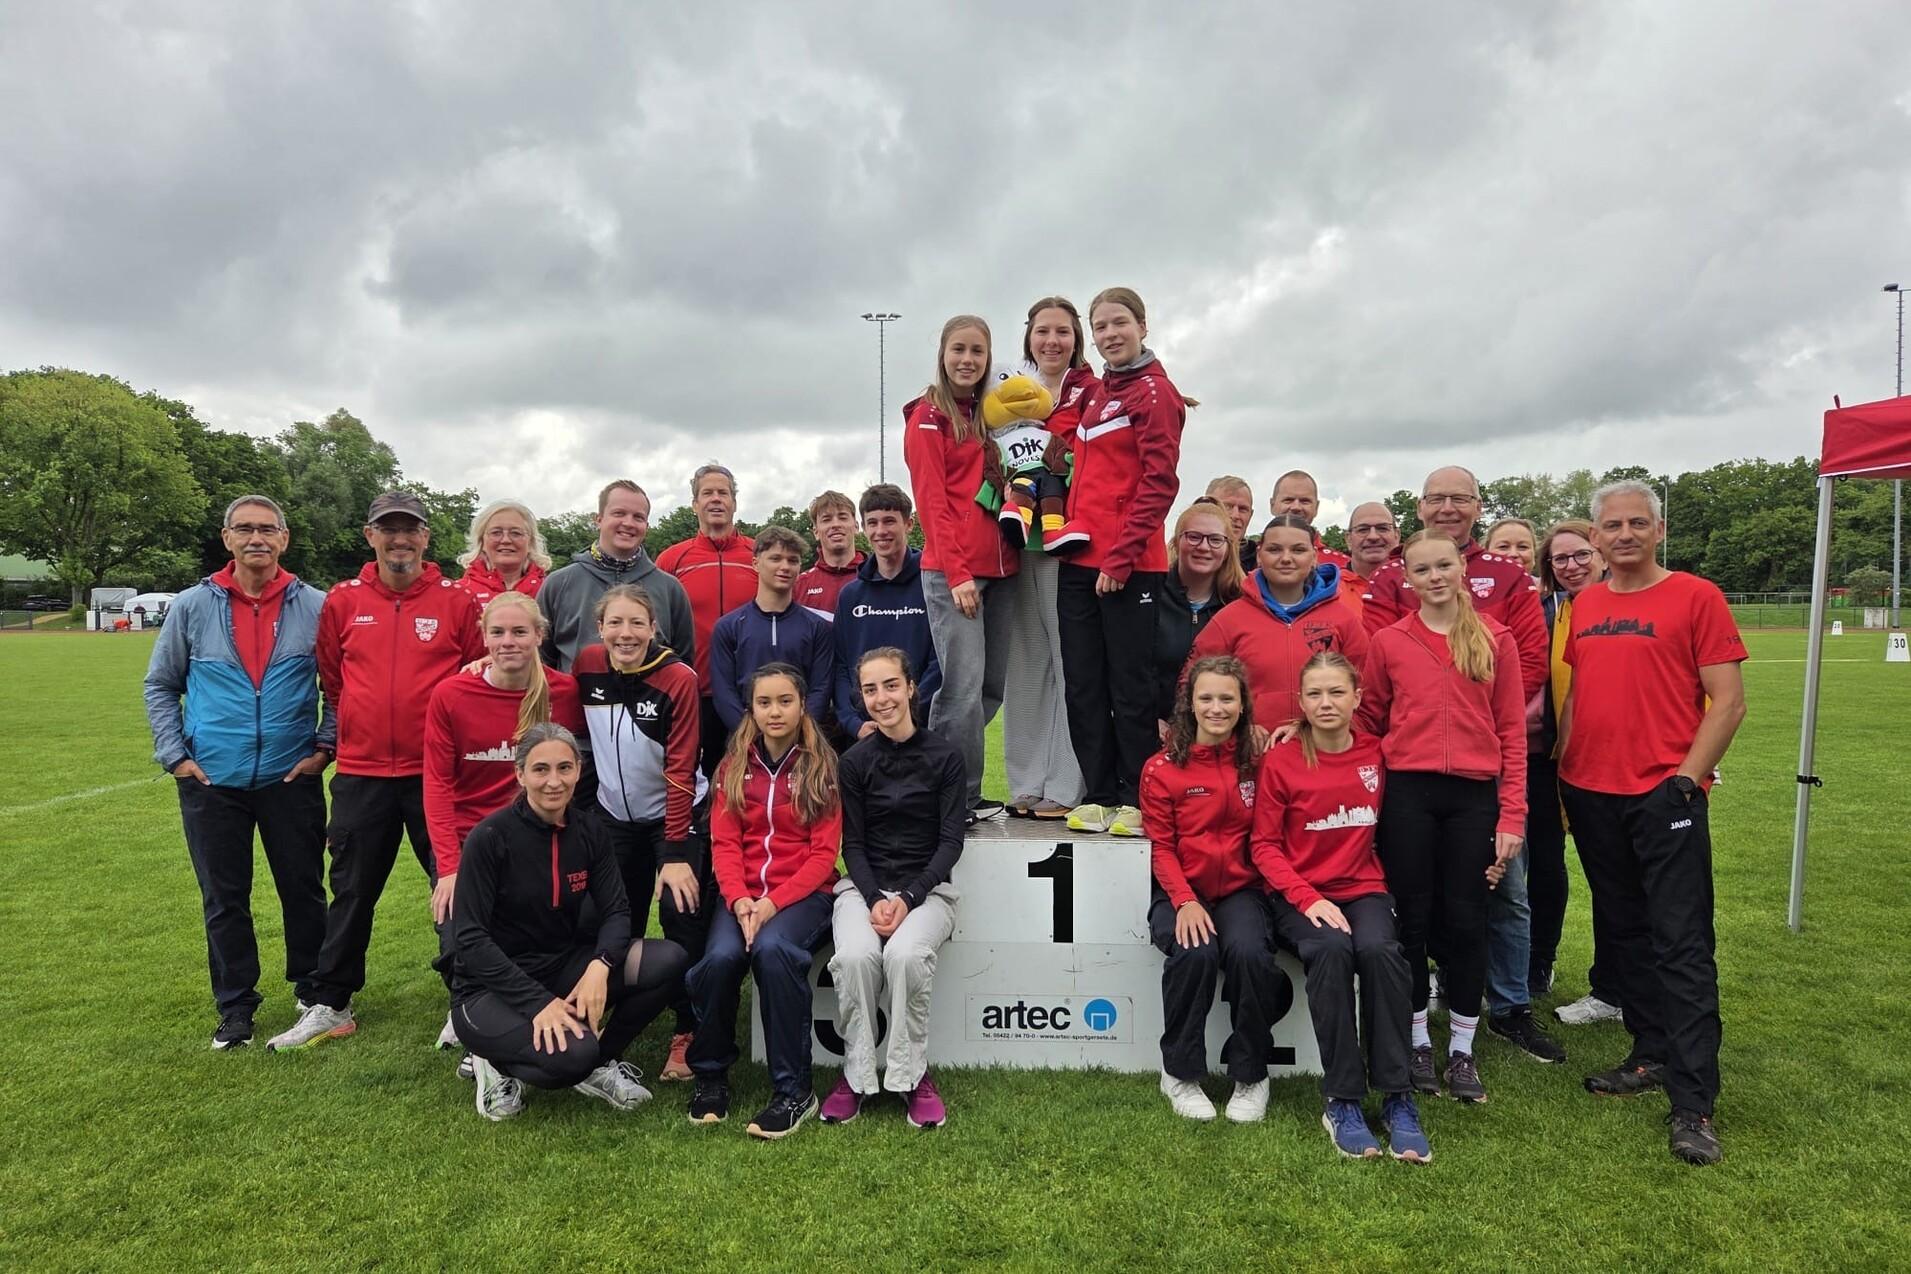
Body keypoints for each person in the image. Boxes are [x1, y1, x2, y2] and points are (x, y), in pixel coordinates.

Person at [1559, 481, 1746, 1166]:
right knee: (1624, 934)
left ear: (1658, 530)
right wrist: (1562, 776)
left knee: (1681, 943)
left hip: (1661, 795)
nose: (1625, 534)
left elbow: (1726, 702)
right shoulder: (1584, 602)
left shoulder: (1696, 597)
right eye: (1612, 525)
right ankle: (1650, 1054)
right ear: (1597, 536)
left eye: (1638, 522)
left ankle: (1693, 1103)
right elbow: (1579, 694)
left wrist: (1683, 782)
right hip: (1589, 792)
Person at [267, 492, 486, 1051]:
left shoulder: (456, 601)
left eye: (409, 530)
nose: (400, 540)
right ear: (370, 536)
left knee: (454, 884)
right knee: (351, 889)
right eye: (388, 530)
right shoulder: (342, 601)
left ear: (425, 538)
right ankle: (331, 1002)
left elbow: (472, 679)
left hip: (436, 773)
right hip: (363, 772)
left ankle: (467, 1002)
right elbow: (334, 681)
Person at [1360, 466, 1549, 1043]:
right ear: (1406, 579)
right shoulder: (1390, 641)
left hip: (1474, 796)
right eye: (1422, 569)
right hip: (1409, 795)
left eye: (1444, 565)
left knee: (1469, 920)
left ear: (1464, 568)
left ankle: (1464, 1044)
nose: (1435, 575)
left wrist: (1511, 815)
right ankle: (1417, 1038)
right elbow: (1369, 719)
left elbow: (1512, 735)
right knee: (1412, 920)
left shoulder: (1496, 638)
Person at [143, 494, 332, 1050]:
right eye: (244, 529)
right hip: (211, 781)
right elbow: (161, 684)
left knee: (303, 889)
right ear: (227, 538)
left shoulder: (316, 606)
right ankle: (235, 1006)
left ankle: (312, 990)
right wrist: (175, 756)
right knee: (224, 897)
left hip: (289, 776)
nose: (256, 539)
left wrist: (324, 746)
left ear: (284, 539)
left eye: (267, 530)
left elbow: (340, 686)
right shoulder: (191, 606)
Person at [446, 723, 689, 1121]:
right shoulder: (489, 837)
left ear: (579, 770)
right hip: (487, 990)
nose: (554, 781)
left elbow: (617, 911)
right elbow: (470, 940)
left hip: (559, 965)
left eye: (564, 768)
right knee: (572, 1057)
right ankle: (493, 1063)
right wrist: (539, 1004)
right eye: (541, 770)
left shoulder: (590, 830)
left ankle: (601, 1063)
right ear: (520, 774)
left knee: (670, 960)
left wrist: (600, 964)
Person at [1253, 653, 1429, 1163]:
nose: (1326, 703)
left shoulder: (1379, 754)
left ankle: (1398, 1098)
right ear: (1300, 705)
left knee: (1379, 951)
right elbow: (1264, 845)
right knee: (1331, 949)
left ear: (1357, 697)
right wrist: (1308, 898)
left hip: (1363, 888)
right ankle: (1343, 1100)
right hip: (1299, 893)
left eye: (1336, 692)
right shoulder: (1282, 760)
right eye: (1314, 694)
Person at [422, 590, 586, 1059]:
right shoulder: (452, 693)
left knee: (533, 934)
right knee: (460, 937)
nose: (508, 641)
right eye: (497, 632)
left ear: (540, 635)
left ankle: (524, 1007)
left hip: (536, 837)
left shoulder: (563, 692)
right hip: (469, 840)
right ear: (483, 638)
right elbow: (436, 783)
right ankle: (469, 1020)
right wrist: (450, 867)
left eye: (519, 631)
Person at [684, 664, 842, 1139]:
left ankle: (794, 1091)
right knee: (719, 958)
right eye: (764, 702)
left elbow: (822, 855)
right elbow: (725, 845)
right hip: (742, 897)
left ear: (802, 704)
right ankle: (711, 1076)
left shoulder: (821, 766)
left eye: (785, 701)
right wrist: (739, 901)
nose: (775, 712)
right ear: (751, 709)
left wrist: (771, 903)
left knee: (774, 953)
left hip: (804, 896)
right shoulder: (734, 766)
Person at [1059, 288, 1189, 837]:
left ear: (1143, 325)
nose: (1110, 334)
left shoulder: (1156, 393)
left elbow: (1160, 484)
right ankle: (1096, 793)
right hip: (1079, 557)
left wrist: (1122, 555)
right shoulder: (1097, 392)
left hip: (1129, 563)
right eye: (1100, 326)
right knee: (1083, 683)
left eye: (1119, 323)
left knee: (1129, 686)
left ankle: (1136, 796)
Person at [1139, 655, 1289, 1124]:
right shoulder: (1162, 768)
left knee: (1248, 953)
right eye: (1207, 698)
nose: (1217, 708)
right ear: (1190, 703)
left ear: (1244, 705)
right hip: (1181, 889)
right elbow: (1160, 847)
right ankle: (1180, 1073)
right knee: (1195, 951)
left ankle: (1251, 1074)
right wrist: (1183, 900)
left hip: (1242, 891)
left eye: (1227, 698)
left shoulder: (1258, 763)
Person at [821, 648, 965, 1129]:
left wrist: (907, 898)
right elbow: (853, 844)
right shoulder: (854, 761)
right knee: (857, 958)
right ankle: (857, 1077)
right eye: (869, 689)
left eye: (889, 685)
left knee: (904, 957)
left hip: (928, 892)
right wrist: (877, 897)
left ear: (910, 688)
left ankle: (910, 1076)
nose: (881, 698)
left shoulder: (944, 756)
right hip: (863, 889)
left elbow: (950, 844)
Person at [572, 584, 709, 1083]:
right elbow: (574, 736)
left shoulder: (677, 677)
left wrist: (674, 850)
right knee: (612, 917)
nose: (625, 633)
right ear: (600, 627)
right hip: (613, 819)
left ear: (654, 629)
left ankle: (689, 1028)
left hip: (674, 815)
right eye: (615, 623)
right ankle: (616, 1007)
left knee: (682, 914)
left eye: (636, 624)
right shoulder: (587, 665)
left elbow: (680, 767)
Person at [903, 315, 1019, 823]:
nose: (968, 360)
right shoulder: (929, 416)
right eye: (959, 349)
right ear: (943, 353)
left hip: (1002, 569)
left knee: (991, 687)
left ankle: (932, 765)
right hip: (956, 574)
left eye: (978, 351)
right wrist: (957, 574)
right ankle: (956, 799)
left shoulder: (988, 414)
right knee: (962, 690)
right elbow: (931, 502)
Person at [997, 297, 1097, 819]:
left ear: (1076, 338)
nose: (1052, 341)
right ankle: (1024, 781)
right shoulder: (1010, 388)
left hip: (1069, 545)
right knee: (1026, 668)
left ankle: (1065, 782)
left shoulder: (1094, 391)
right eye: (1042, 332)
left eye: (1062, 331)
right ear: (1029, 336)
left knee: (1068, 665)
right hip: (1018, 545)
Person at [1535, 520, 1622, 1025]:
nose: (1571, 565)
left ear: (1601, 554)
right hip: (1574, 764)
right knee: (1606, 879)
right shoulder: (1561, 611)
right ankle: (1612, 989)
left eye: (1580, 555)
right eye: (1559, 559)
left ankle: (1632, 989)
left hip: (1632, 766)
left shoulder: (1625, 603)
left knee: (1631, 884)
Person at [1185, 514, 1368, 742]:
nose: (1286, 558)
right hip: (1249, 759)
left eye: (1298, 550)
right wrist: (1236, 729)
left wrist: (1326, 733)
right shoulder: (1230, 620)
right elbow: (1191, 684)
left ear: (1314, 556)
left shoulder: (1343, 620)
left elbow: (1367, 693)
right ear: (1259, 555)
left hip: (1323, 757)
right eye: (1274, 549)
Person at [655, 464, 758, 775]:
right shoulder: (672, 559)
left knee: (750, 777)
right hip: (695, 694)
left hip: (753, 693)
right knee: (697, 779)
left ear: (734, 503)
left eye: (723, 493)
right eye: (707, 493)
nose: (716, 500)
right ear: (694, 504)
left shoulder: (759, 554)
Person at [539, 479, 694, 673]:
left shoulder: (670, 588)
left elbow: (683, 663)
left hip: (650, 702)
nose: (628, 523)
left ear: (646, 525)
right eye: (619, 513)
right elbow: (542, 660)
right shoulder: (558, 584)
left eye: (638, 517)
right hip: (577, 702)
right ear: (599, 519)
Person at [833, 484, 942, 741]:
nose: (880, 531)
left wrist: (905, 717)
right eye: (872, 523)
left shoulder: (933, 587)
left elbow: (942, 661)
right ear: (864, 528)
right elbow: (840, 667)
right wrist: (852, 723)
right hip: (864, 735)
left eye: (889, 521)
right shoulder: (851, 596)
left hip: (918, 730)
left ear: (909, 524)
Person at [710, 526, 833, 733]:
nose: (785, 566)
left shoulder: (817, 627)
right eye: (775, 558)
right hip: (745, 745)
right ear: (756, 563)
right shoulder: (728, 627)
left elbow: (821, 689)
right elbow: (724, 692)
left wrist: (800, 732)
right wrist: (749, 734)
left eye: (793, 560)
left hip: (802, 743)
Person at [1151, 499, 1245, 738]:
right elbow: (1128, 670)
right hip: (1152, 733)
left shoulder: (1239, 604)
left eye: (1215, 540)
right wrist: (1145, 720)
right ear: (1176, 541)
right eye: (1193, 537)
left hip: (1219, 735)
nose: (1204, 547)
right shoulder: (1149, 596)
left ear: (1227, 548)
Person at [455, 499, 550, 606]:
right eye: (496, 533)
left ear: (530, 542)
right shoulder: (457, 592)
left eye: (516, 533)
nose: (506, 540)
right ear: (481, 541)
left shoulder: (551, 590)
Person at [795, 490, 865, 617]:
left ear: (856, 527)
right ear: (816, 532)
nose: (836, 524)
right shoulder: (798, 585)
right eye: (826, 520)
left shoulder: (878, 577)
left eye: (843, 517)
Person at [1268, 470, 1353, 571]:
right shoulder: (1250, 557)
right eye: (1288, 500)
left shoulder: (1342, 566)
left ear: (1316, 508)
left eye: (1305, 501)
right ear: (1272, 505)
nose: (1296, 507)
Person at [1343, 502, 1401, 594]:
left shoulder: (1420, 584)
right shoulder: (1326, 589)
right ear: (1348, 539)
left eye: (1382, 528)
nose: (1373, 537)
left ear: (1397, 535)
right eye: (1363, 530)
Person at [1205, 475, 1258, 571]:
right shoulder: (1186, 558)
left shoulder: (1261, 566)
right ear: (1206, 508)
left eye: (1243, 509)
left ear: (1251, 515)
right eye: (1227, 507)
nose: (1235, 516)